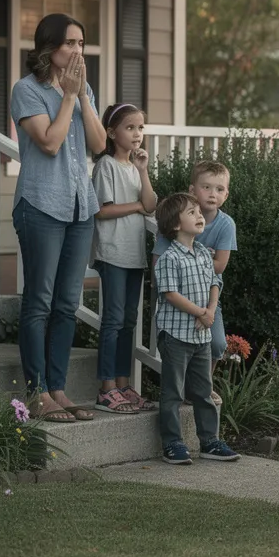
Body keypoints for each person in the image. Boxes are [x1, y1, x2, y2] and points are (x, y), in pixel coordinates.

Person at [10, 13, 105, 423]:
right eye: (70, 43)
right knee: (39, 302)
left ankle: (58, 389)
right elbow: (49, 143)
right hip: (41, 205)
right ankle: (37, 393)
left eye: (81, 43)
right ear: (49, 48)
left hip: (80, 207)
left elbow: (99, 144)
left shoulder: (84, 90)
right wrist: (67, 97)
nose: (77, 50)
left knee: (67, 304)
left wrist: (81, 96)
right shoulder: (26, 90)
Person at [152, 192, 240, 464]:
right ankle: (172, 444)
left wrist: (210, 311)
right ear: (175, 224)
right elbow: (170, 294)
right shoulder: (169, 257)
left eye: (199, 212)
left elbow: (215, 283)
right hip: (175, 336)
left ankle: (210, 441)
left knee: (203, 391)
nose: (200, 216)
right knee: (173, 393)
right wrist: (200, 312)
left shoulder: (203, 253)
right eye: (192, 213)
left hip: (201, 336)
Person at [92, 103, 159, 413]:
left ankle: (123, 384)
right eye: (130, 127)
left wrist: (143, 171)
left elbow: (151, 204)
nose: (137, 133)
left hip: (134, 255)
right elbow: (102, 210)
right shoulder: (105, 166)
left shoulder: (134, 168)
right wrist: (136, 207)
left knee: (129, 321)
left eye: (140, 128)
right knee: (113, 319)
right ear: (111, 132)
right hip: (113, 252)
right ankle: (106, 388)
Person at [153, 161, 236, 407]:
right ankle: (182, 389)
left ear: (226, 194)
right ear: (192, 190)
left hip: (208, 297)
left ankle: (201, 386)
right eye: (206, 187)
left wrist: (207, 311)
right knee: (178, 347)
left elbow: (219, 267)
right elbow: (158, 263)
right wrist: (204, 258)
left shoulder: (225, 224)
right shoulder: (175, 219)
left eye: (219, 189)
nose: (212, 194)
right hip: (177, 298)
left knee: (217, 343)